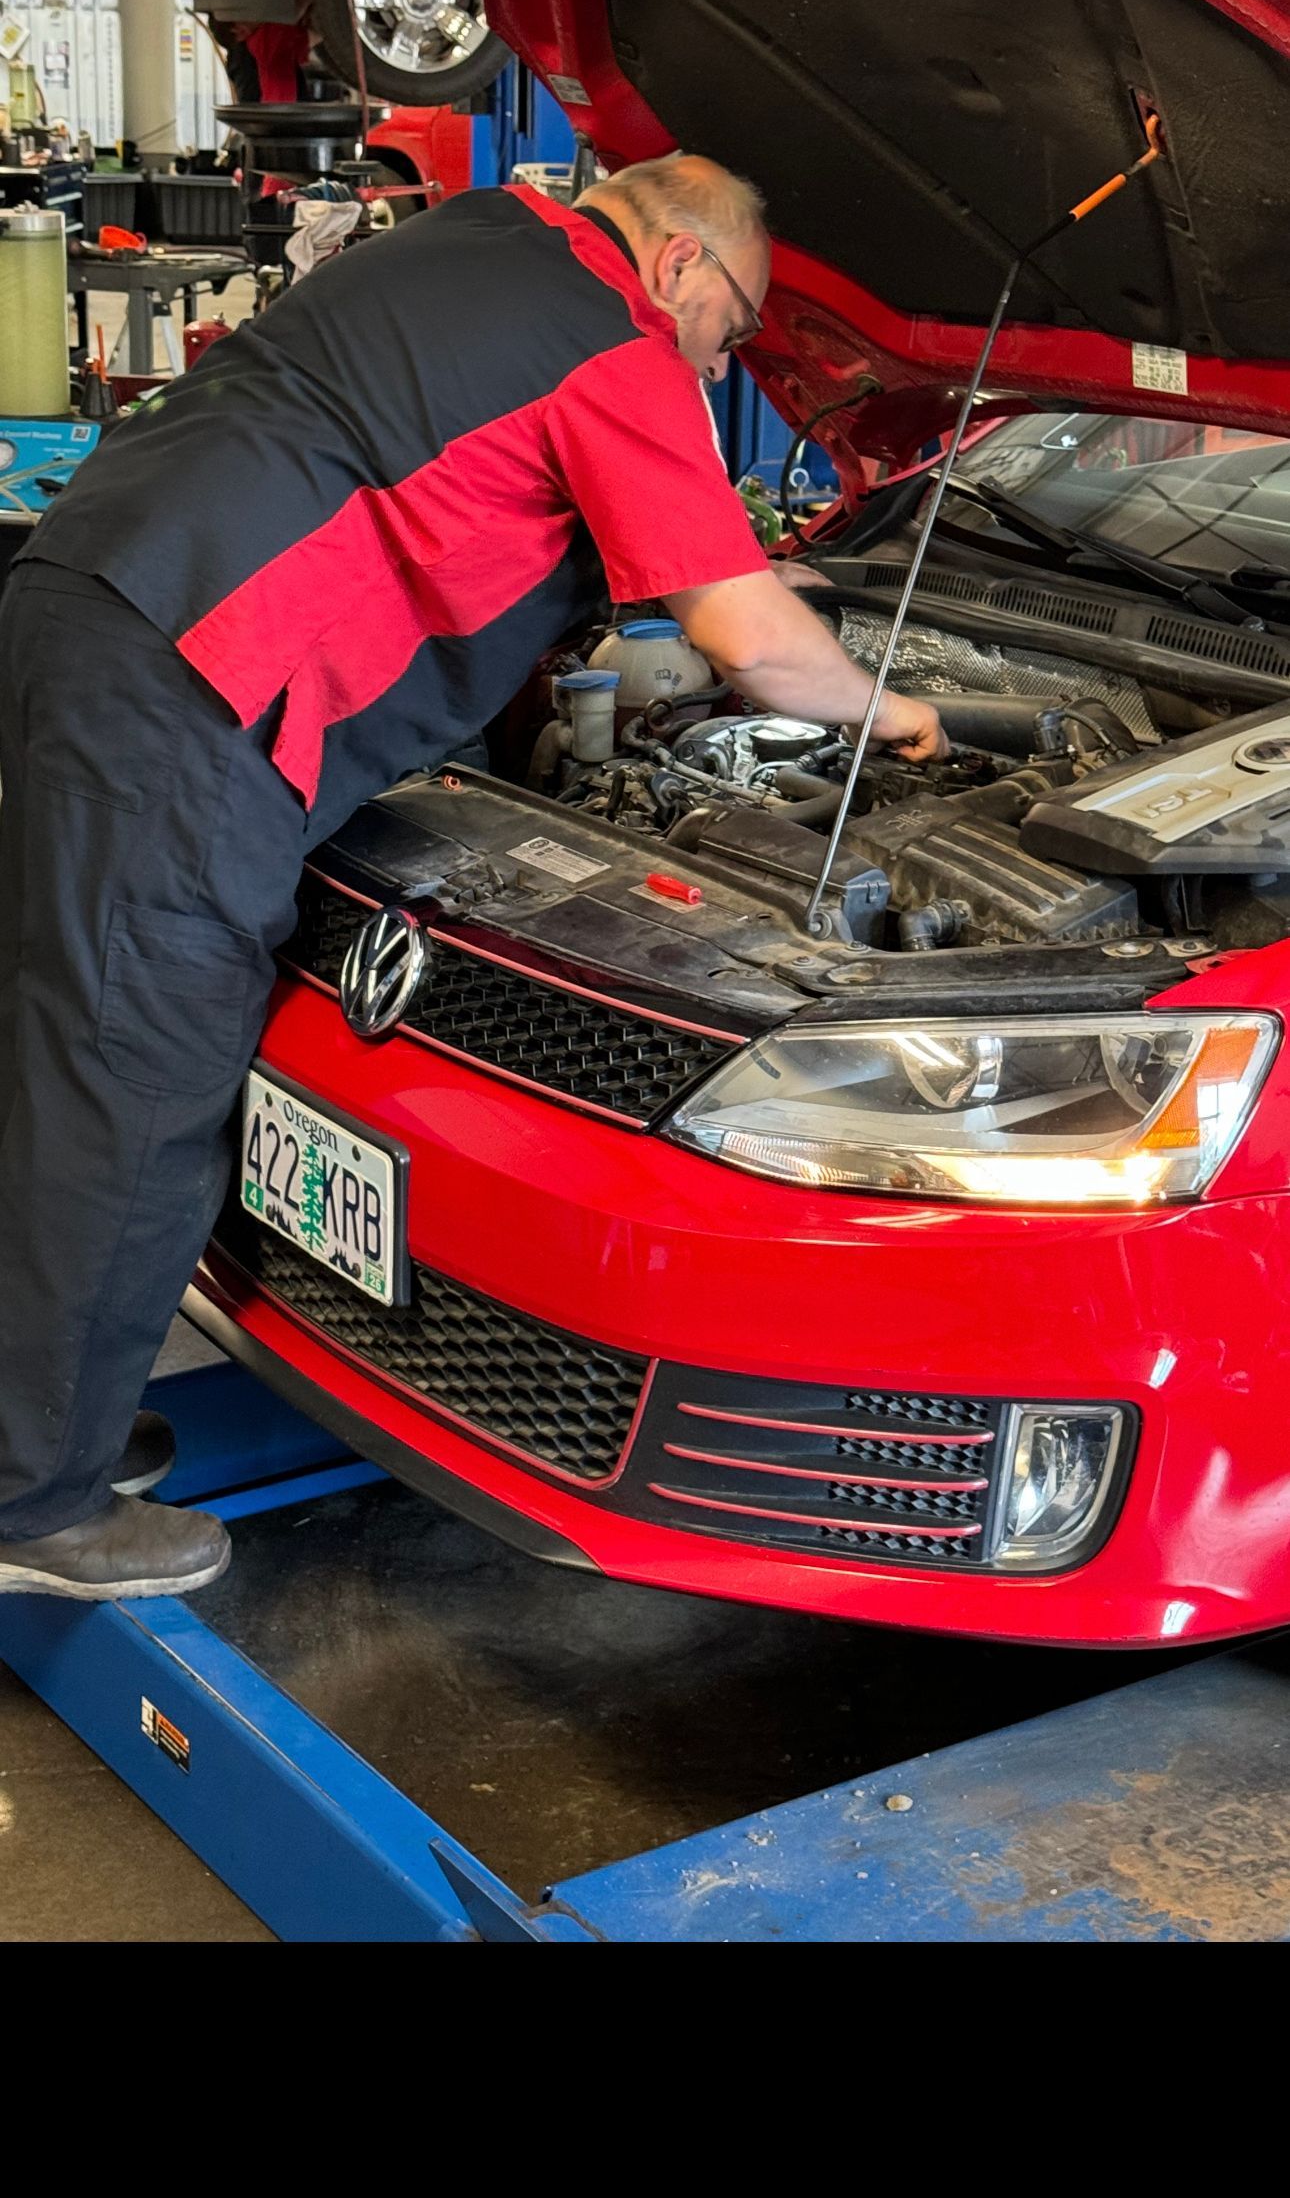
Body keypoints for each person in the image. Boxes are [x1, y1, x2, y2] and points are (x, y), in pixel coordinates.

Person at [0, 155, 946, 1600]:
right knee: (133, 1075)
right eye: (735, 329)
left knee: (70, 1046)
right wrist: (895, 713)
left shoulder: (482, 243)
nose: (721, 361)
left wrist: (756, 578)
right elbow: (752, 647)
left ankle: (44, 1416)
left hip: (103, 607)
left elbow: (492, 489)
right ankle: (35, 1507)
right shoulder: (614, 340)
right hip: (192, 685)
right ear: (680, 263)